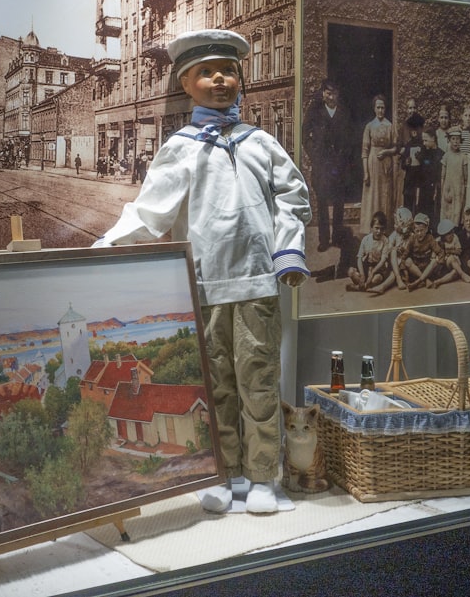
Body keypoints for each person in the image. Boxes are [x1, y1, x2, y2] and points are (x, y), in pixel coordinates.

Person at [92, 29, 311, 515]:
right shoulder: (181, 149)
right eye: (207, 72)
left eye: (229, 70)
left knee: (258, 378)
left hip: (256, 284)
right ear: (186, 82)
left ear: (241, 79)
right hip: (206, 285)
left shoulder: (262, 144)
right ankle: (224, 472)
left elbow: (293, 198)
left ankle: (261, 477)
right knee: (215, 384)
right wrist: (107, 244)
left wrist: (287, 251)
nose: (220, 79)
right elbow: (151, 213)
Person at [302, 79, 353, 251]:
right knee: (322, 201)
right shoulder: (315, 111)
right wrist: (314, 154)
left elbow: (350, 137)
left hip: (338, 164)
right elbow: (304, 135)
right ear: (323, 93)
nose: (331, 97)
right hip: (321, 164)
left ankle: (337, 236)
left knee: (338, 201)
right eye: (328, 93)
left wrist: (345, 157)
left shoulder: (344, 112)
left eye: (335, 94)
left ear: (338, 94)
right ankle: (324, 240)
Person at [360, 95, 398, 235]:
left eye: (382, 107)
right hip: (372, 164)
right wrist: (366, 172)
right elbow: (364, 151)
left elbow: (395, 148)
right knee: (373, 194)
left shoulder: (390, 126)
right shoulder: (369, 126)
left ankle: (385, 229)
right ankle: (371, 229)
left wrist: (386, 151)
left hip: (386, 165)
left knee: (384, 195)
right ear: (374, 109)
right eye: (378, 107)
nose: (380, 110)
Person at [347, 210, 387, 292]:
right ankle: (365, 285)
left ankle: (359, 288)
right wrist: (362, 275)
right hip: (366, 266)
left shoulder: (385, 241)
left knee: (376, 279)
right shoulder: (366, 239)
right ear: (371, 227)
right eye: (376, 228)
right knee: (351, 272)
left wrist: (372, 273)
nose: (379, 231)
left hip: (377, 268)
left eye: (381, 229)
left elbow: (383, 261)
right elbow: (359, 258)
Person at [440, 128, 468, 226]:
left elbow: (465, 178)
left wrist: (464, 192)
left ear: (460, 140)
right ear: (449, 140)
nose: (455, 142)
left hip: (459, 191)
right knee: (446, 213)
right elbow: (442, 176)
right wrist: (443, 191)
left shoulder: (463, 157)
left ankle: (455, 232)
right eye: (453, 139)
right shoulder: (446, 156)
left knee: (456, 213)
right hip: (447, 190)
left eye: (457, 139)